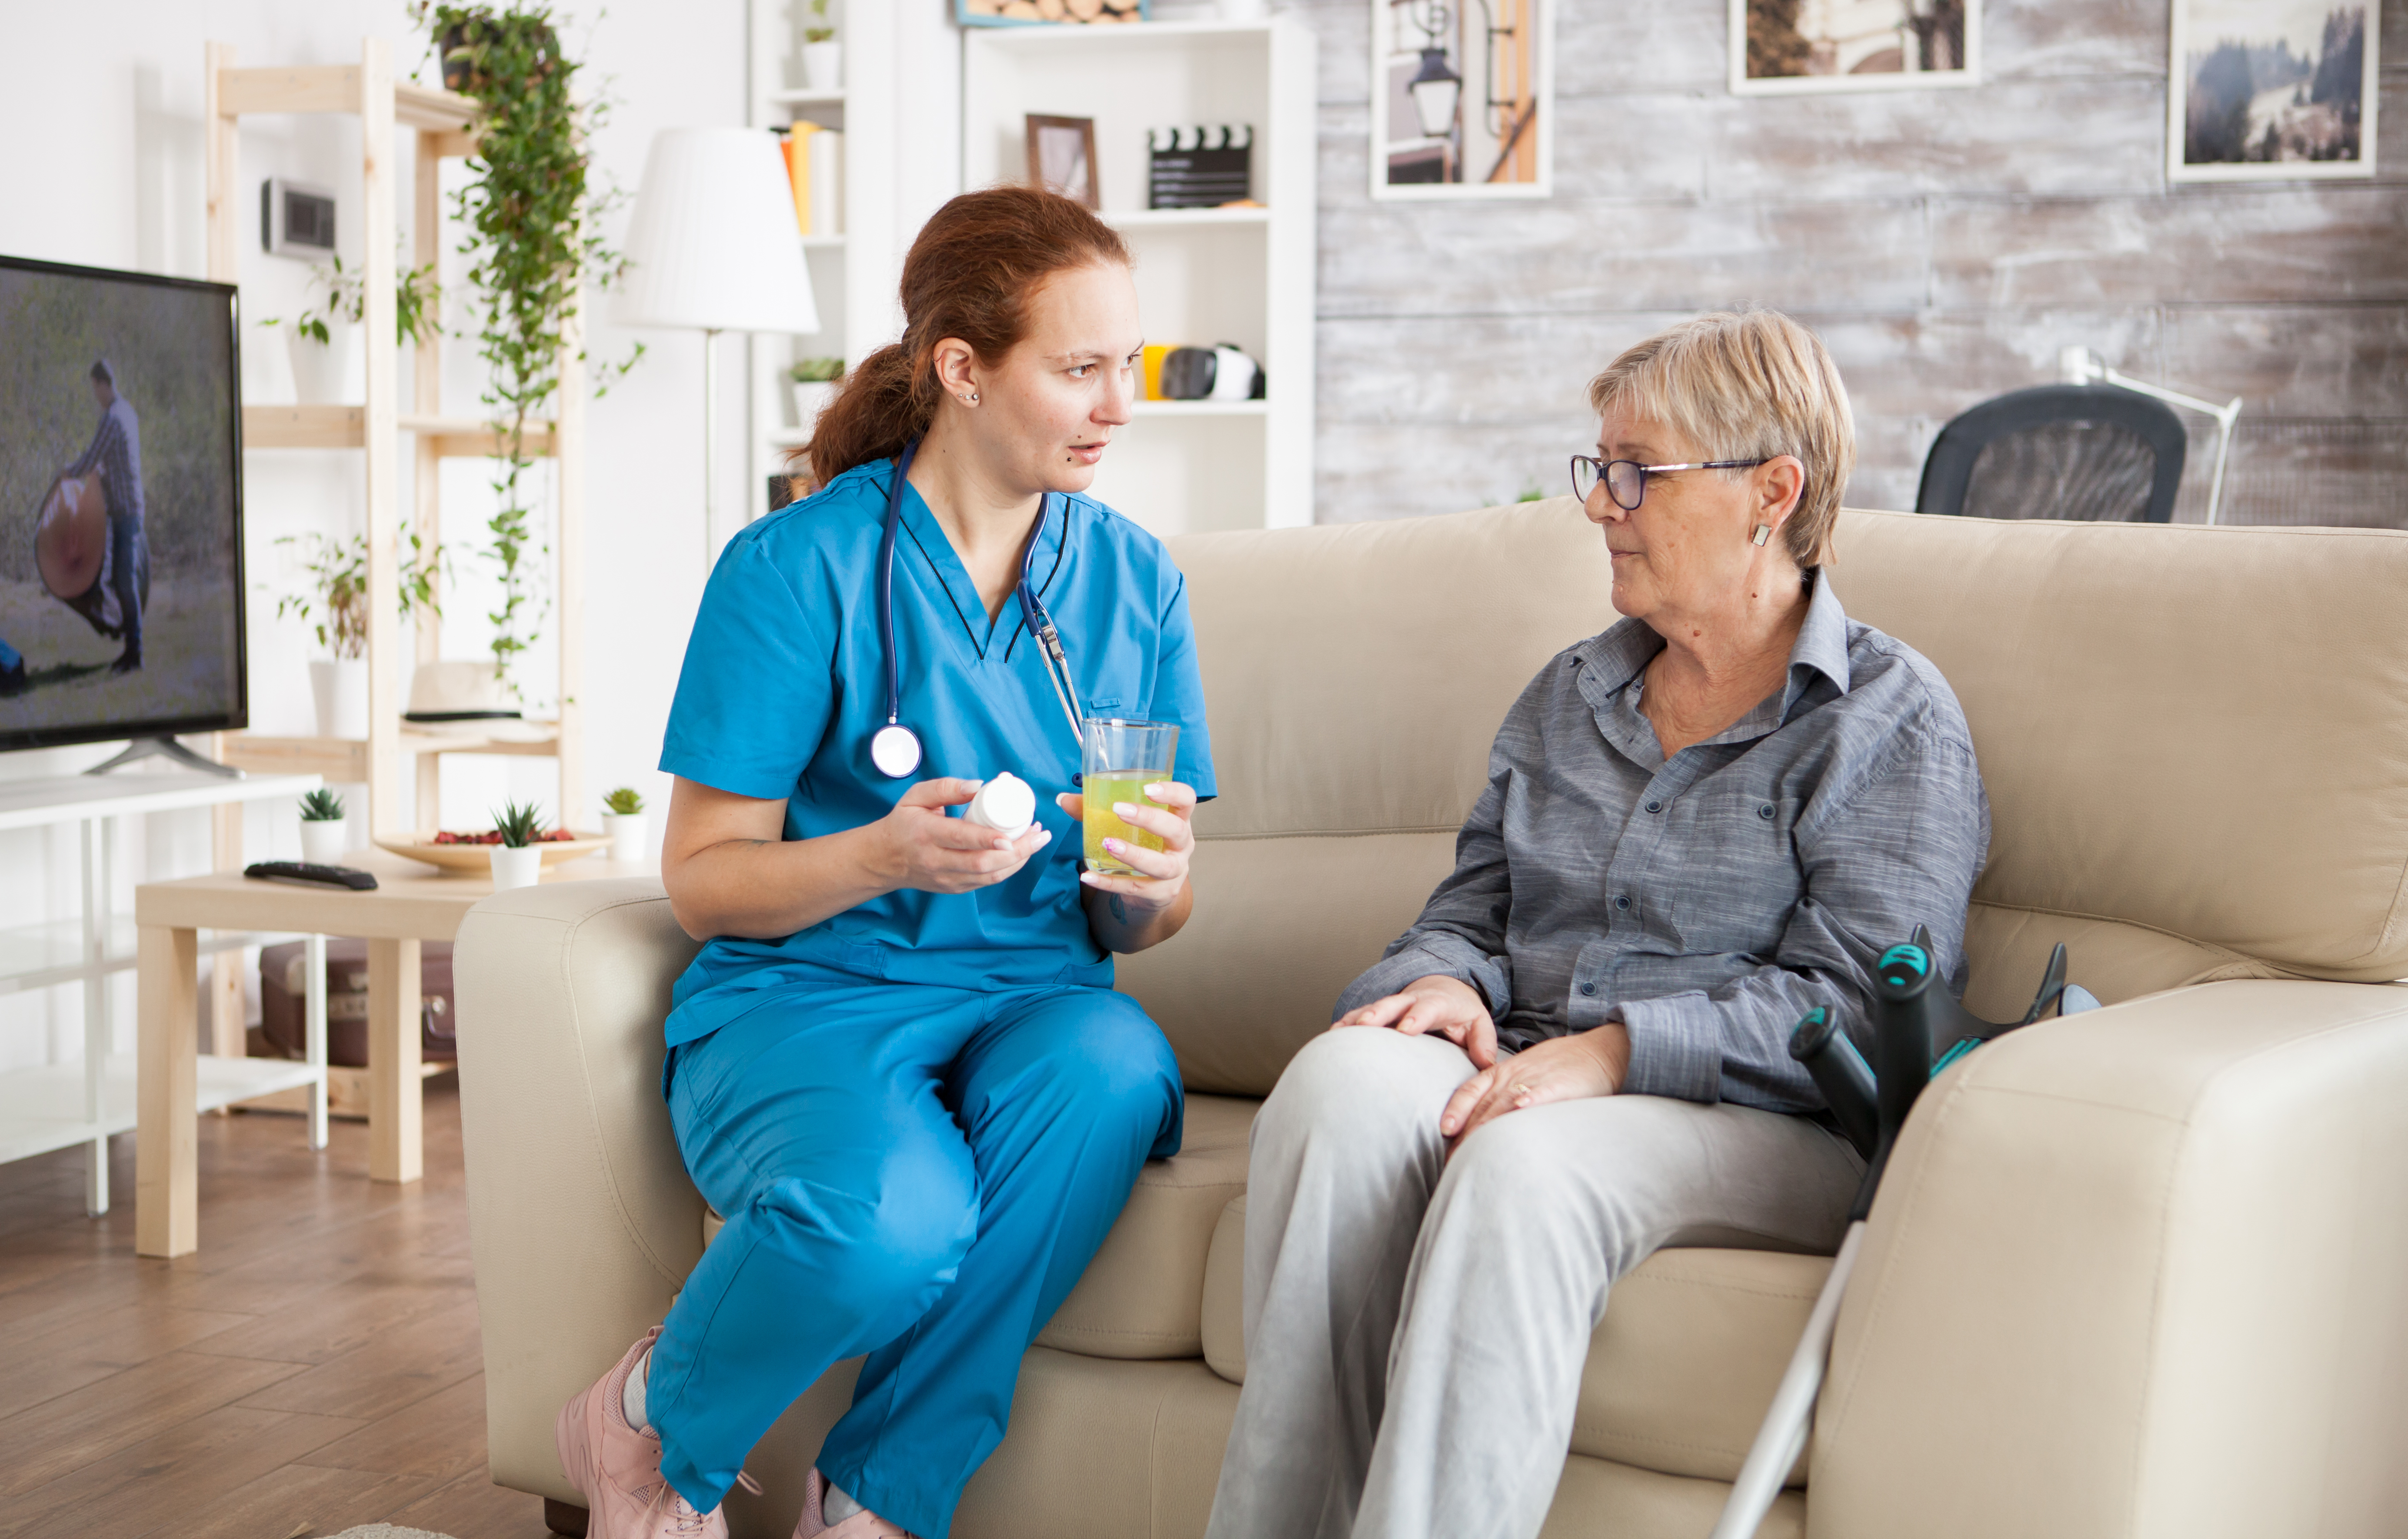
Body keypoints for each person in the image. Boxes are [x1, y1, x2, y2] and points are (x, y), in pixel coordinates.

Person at [1206, 310, 1991, 1539]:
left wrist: (1618, 1053)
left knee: (1523, 1168)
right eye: (1599, 469)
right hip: (1529, 1063)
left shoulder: (1886, 717)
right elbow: (1469, 909)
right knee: (1340, 1087)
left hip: (1765, 1118)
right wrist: (1446, 982)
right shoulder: (1572, 694)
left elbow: (1850, 1001)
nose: (1599, 504)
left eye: (1638, 473)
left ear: (1770, 492)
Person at [556, 187, 1216, 1539]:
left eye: (1128, 366)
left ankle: (875, 1505)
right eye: (1079, 369)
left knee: (1113, 1068)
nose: (1119, 405)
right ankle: (646, 1430)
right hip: (810, 999)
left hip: (1036, 999)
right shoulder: (794, 570)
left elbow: (1151, 919)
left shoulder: (1133, 580)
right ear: (964, 369)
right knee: (890, 1227)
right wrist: (881, 854)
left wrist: (1148, 884)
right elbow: (703, 877)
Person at [63, 358, 148, 673]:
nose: (94, 395)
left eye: (94, 388)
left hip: (127, 511)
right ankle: (128, 644)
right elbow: (114, 459)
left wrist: (68, 474)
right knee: (118, 578)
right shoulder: (127, 412)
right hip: (129, 508)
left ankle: (135, 654)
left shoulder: (113, 418)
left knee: (124, 581)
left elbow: (91, 456)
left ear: (102, 384)